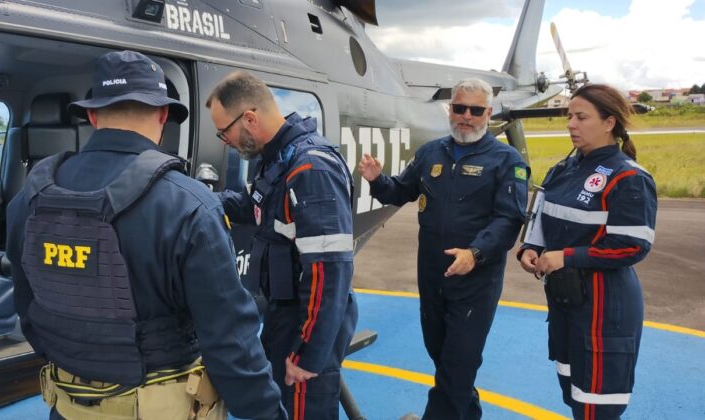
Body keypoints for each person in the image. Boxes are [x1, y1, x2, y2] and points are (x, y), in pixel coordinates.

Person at [5, 50, 286, 420]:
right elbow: (230, 343)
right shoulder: (189, 206)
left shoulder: (29, 200)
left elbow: (29, 310)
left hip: (68, 407)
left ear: (92, 115)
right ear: (162, 115)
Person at [359, 78, 529, 419]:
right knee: (442, 358)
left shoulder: (507, 161)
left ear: (488, 113)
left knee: (456, 366)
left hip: (475, 283)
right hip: (433, 278)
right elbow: (400, 192)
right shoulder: (431, 152)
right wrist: (378, 180)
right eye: (460, 108)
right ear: (450, 110)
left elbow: (508, 221)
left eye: (476, 110)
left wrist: (475, 253)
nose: (466, 116)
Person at [207, 71, 357, 420]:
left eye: (223, 131)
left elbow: (329, 270)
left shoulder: (310, 168)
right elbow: (253, 206)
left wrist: (309, 352)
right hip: (284, 314)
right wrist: (204, 197)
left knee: (303, 411)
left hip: (308, 320)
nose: (224, 141)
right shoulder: (278, 159)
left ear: (249, 118)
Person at [518, 84, 657, 420]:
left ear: (609, 122)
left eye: (581, 117)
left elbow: (632, 246)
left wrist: (566, 256)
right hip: (567, 304)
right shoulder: (562, 170)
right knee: (575, 395)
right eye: (569, 116)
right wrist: (530, 248)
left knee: (598, 406)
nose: (571, 124)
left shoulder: (628, 178)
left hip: (605, 310)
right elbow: (540, 218)